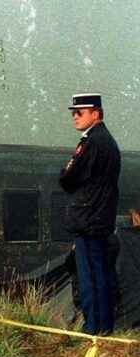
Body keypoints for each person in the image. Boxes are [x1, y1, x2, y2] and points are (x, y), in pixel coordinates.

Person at [60, 93, 121, 335]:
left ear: (95, 114)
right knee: (101, 273)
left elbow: (68, 177)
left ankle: (93, 328)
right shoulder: (107, 141)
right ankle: (103, 326)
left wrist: (66, 175)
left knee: (90, 276)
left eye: (80, 112)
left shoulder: (93, 141)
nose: (74, 117)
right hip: (99, 217)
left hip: (89, 219)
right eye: (73, 112)